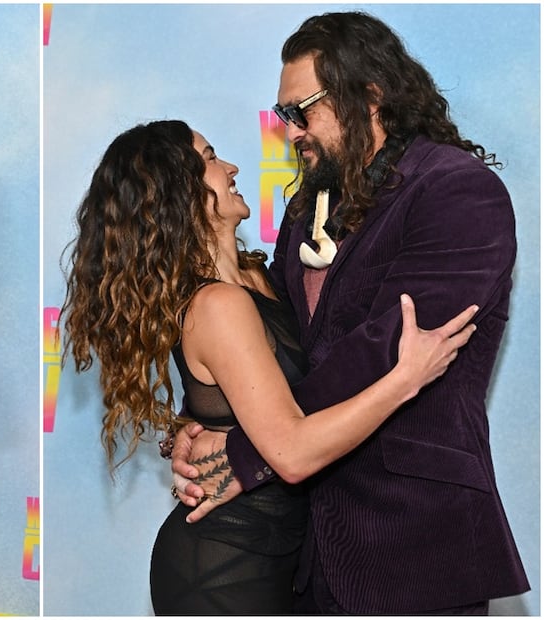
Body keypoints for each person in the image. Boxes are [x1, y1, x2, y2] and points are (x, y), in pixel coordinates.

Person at [170, 11, 530, 614]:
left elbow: (388, 349)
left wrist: (251, 452)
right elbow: (276, 351)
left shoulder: (456, 191)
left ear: (368, 96)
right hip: (308, 554)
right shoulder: (308, 207)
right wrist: (214, 422)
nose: (291, 133)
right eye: (284, 116)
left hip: (414, 544)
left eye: (301, 111)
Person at [60, 119, 478, 614]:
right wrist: (406, 379)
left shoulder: (259, 275)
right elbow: (293, 454)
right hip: (225, 570)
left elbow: (275, 395)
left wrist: (196, 430)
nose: (231, 166)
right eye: (211, 158)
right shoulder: (216, 305)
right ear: (180, 191)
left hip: (287, 557)